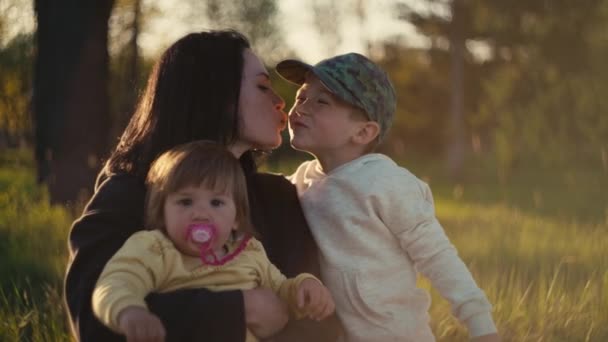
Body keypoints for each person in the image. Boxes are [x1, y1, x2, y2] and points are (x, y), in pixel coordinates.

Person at [65, 30, 339, 342]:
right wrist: (240, 308)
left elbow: (321, 320)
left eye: (218, 203)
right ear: (215, 95)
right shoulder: (128, 195)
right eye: (263, 87)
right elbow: (93, 321)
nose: (280, 102)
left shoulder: (278, 197)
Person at [276, 52, 500, 342]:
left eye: (322, 102)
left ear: (363, 132)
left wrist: (480, 323)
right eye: (302, 96)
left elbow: (437, 256)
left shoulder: (385, 183)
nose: (302, 108)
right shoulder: (300, 181)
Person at [92, 141, 335, 342]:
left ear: (237, 218)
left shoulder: (248, 252)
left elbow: (281, 288)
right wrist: (129, 311)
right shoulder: (154, 248)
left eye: (216, 203)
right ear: (162, 211)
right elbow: (115, 283)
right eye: (185, 202)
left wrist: (304, 286)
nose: (201, 213)